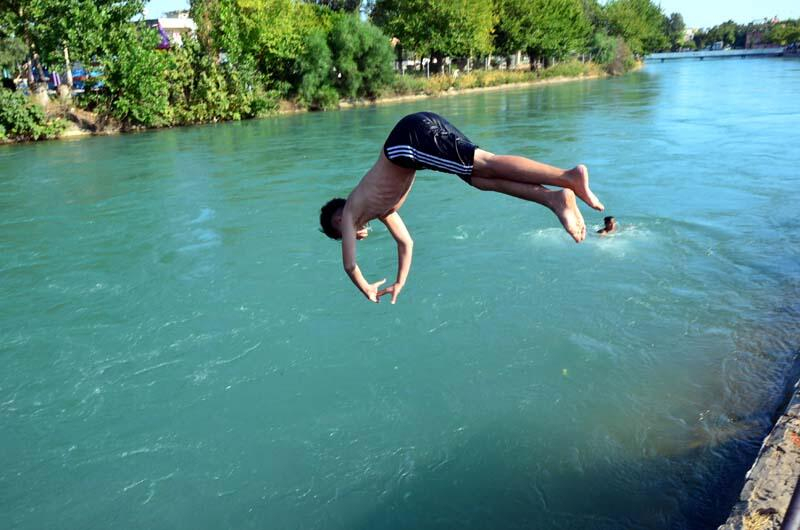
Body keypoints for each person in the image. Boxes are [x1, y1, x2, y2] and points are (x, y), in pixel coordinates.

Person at [319, 111, 605, 304]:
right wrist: (400, 281)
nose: (345, 226)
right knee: (480, 179)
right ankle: (554, 198)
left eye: (341, 222)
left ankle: (568, 177)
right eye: (341, 227)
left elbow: (349, 265)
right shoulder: (384, 210)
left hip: (407, 141)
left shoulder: (354, 210)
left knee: (485, 163)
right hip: (411, 142)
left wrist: (366, 286)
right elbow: (406, 243)